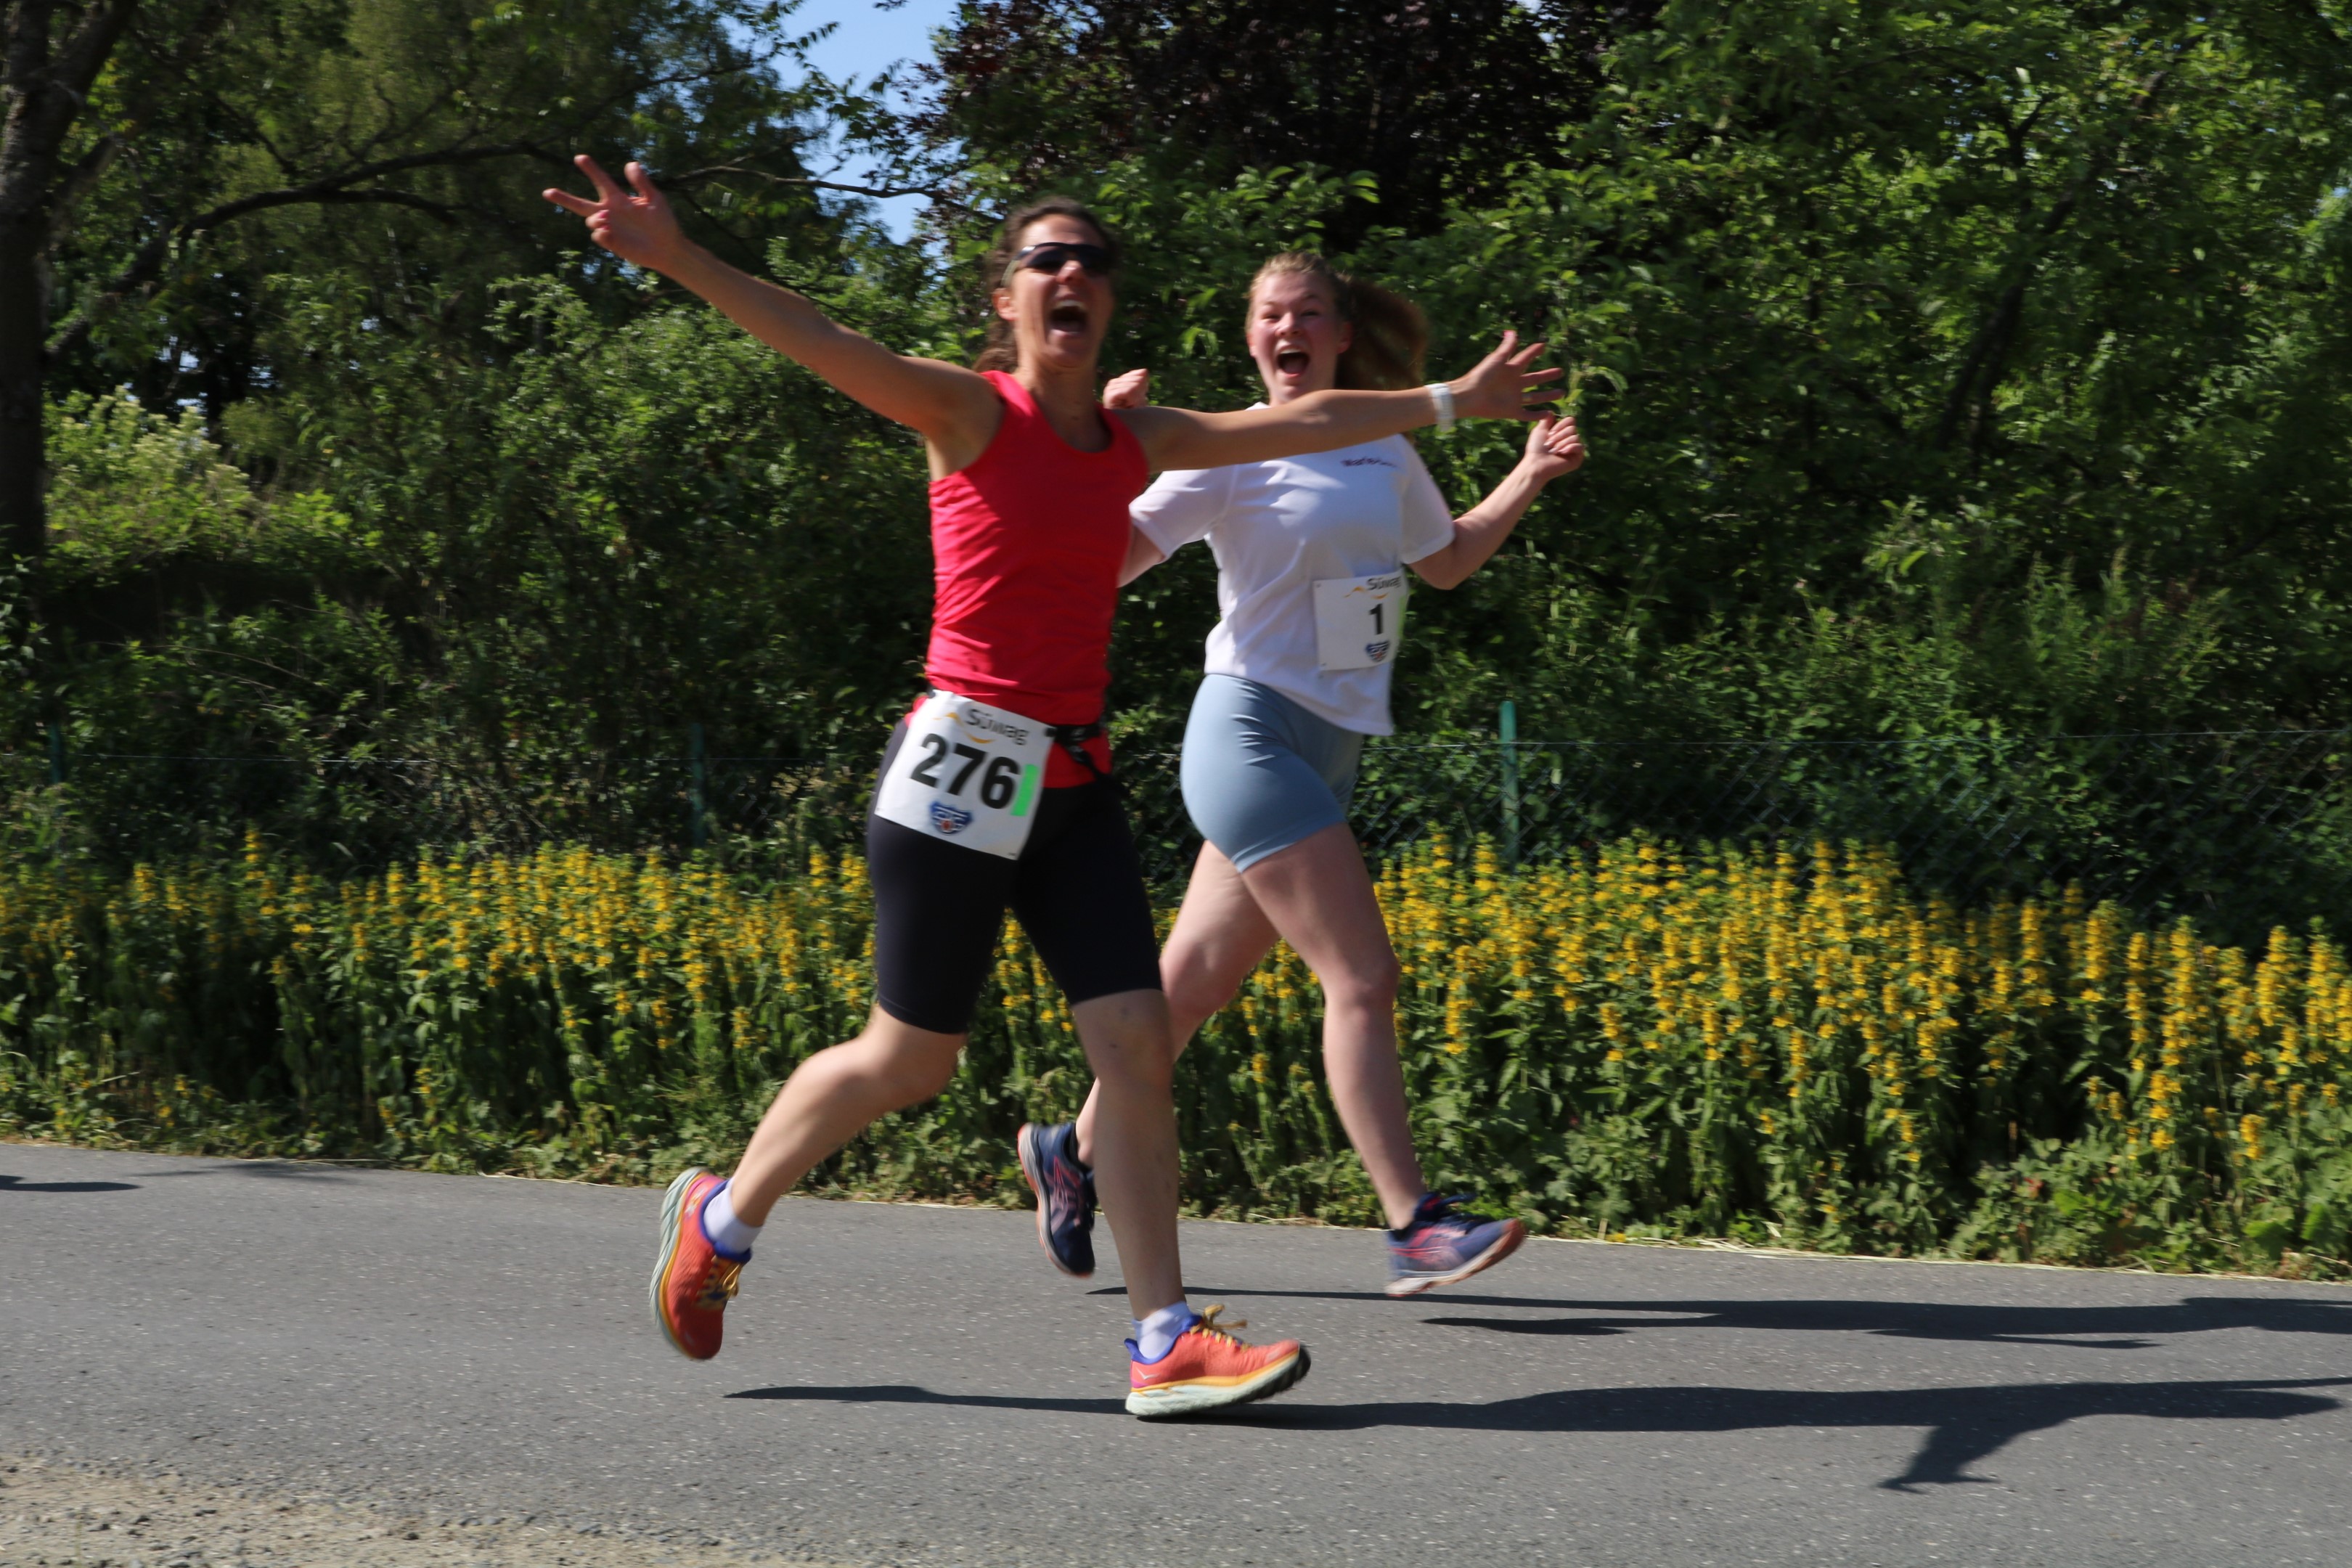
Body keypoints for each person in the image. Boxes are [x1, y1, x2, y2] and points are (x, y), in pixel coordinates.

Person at [542, 160, 1561, 1416]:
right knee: (910, 1059)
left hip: (1075, 778)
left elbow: (1304, 425)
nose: (1072, 274)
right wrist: (678, 256)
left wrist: (1457, 402)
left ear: (1108, 304)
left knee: (1136, 1046)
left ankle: (1164, 1338)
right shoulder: (966, 413)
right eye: (1047, 259)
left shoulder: (1141, 441)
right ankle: (723, 1213)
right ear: (1008, 300)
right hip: (960, 775)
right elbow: (813, 333)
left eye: (1092, 262)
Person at [1016, 251, 1585, 1299]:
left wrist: (1530, 474)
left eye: (1310, 313)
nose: (1290, 329)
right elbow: (1111, 564)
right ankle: (1414, 1224)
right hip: (1249, 736)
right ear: (1252, 339)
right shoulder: (1228, 448)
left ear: (1339, 335)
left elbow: (1446, 560)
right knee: (1361, 977)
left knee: (1191, 987)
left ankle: (1071, 1150)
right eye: (1272, 315)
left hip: (1334, 749)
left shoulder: (1381, 444)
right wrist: (1105, 460)